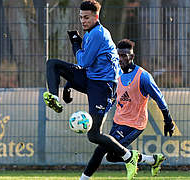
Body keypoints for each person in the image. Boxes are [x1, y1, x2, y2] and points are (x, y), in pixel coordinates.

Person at [43, 1, 140, 179]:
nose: (83, 21)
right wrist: (69, 84)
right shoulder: (89, 34)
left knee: (94, 135)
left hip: (105, 87)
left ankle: (129, 156)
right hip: (92, 80)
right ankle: (54, 98)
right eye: (80, 17)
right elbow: (86, 67)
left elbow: (83, 62)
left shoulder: (98, 34)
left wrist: (75, 44)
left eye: (86, 17)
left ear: (96, 17)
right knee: (53, 64)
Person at [79, 39, 175, 179]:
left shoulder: (143, 77)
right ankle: (152, 160)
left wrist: (168, 121)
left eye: (124, 55)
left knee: (101, 150)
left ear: (132, 56)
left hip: (134, 123)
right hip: (118, 121)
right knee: (111, 156)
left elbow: (159, 98)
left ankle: (83, 179)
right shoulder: (116, 74)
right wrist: (100, 115)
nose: (120, 58)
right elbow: (112, 99)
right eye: (118, 55)